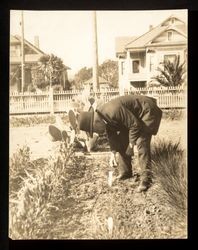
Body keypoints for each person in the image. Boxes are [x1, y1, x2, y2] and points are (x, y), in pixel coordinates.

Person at [78, 94, 162, 192]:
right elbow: (111, 134)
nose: (98, 133)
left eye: (95, 130)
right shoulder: (103, 116)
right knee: (122, 140)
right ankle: (126, 172)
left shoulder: (112, 111)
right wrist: (113, 152)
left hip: (147, 110)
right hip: (133, 117)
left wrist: (131, 143)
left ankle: (146, 179)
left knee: (141, 142)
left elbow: (135, 125)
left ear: (95, 122)